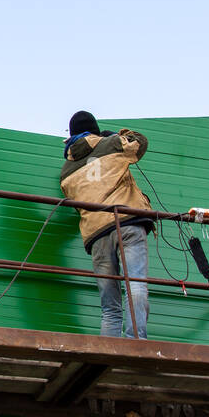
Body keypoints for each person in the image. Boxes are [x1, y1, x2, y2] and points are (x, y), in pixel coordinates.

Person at [59, 110, 154, 339]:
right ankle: (136, 341)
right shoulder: (112, 143)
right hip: (127, 223)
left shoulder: (65, 172)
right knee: (135, 285)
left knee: (109, 304)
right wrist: (115, 135)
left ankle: (109, 346)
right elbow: (140, 142)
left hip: (96, 234)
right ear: (95, 129)